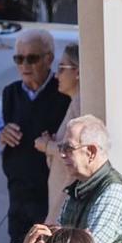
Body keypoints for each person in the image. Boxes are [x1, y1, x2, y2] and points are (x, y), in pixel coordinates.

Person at [0, 29, 71, 243]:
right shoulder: (10, 94)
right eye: (19, 59)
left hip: (52, 194)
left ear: (48, 59)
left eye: (32, 58)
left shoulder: (63, 91)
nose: (24, 66)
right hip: (19, 196)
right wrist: (1, 136)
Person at [38, 40, 83, 223]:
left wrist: (47, 145)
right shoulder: (75, 103)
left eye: (62, 68)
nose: (56, 75)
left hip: (67, 201)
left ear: (78, 72)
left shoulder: (81, 104)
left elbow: (79, 152)